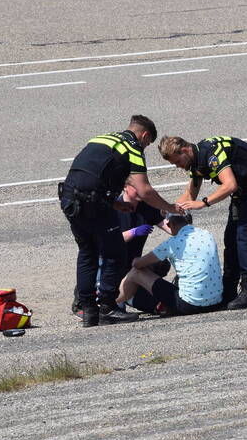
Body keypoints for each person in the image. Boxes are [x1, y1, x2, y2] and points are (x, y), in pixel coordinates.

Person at [59, 115, 181, 328]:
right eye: (147, 143)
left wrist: (114, 205)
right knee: (115, 252)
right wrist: (170, 207)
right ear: (144, 135)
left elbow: (92, 176)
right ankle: (107, 307)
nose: (144, 148)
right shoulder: (132, 146)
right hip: (93, 202)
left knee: (87, 251)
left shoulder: (102, 139)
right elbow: (144, 189)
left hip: (70, 199)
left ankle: (88, 310)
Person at [158, 135, 247, 309]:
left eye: (177, 161)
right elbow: (189, 197)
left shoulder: (211, 153)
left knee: (244, 237)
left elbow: (230, 185)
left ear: (184, 150)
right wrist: (167, 208)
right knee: (230, 240)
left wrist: (204, 202)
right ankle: (229, 292)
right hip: (243, 192)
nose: (177, 166)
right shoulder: (195, 162)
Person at [70, 182, 171, 319]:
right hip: (108, 262)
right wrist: (133, 232)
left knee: (160, 265)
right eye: (136, 188)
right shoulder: (113, 209)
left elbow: (168, 227)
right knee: (112, 306)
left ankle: (134, 298)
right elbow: (105, 241)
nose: (141, 190)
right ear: (125, 187)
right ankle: (84, 300)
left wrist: (181, 224)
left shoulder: (147, 208)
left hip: (130, 264)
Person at [117, 213, 223, 316]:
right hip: (216, 301)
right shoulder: (206, 234)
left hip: (190, 304)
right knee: (165, 264)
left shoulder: (171, 243)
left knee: (136, 272)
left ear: (170, 224)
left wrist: (135, 259)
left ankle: (112, 303)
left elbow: (137, 265)